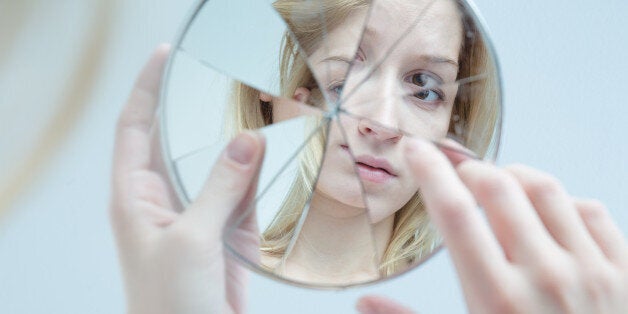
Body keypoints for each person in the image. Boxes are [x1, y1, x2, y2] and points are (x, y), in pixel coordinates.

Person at [110, 9, 628, 314]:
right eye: (346, 75)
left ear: (454, 123)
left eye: (424, 89)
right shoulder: (188, 280)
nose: (381, 122)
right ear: (280, 90)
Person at [227, 0, 499, 284]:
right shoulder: (208, 275)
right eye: (346, 81)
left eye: (424, 88)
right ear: (273, 77)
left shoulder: (461, 298)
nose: (384, 124)